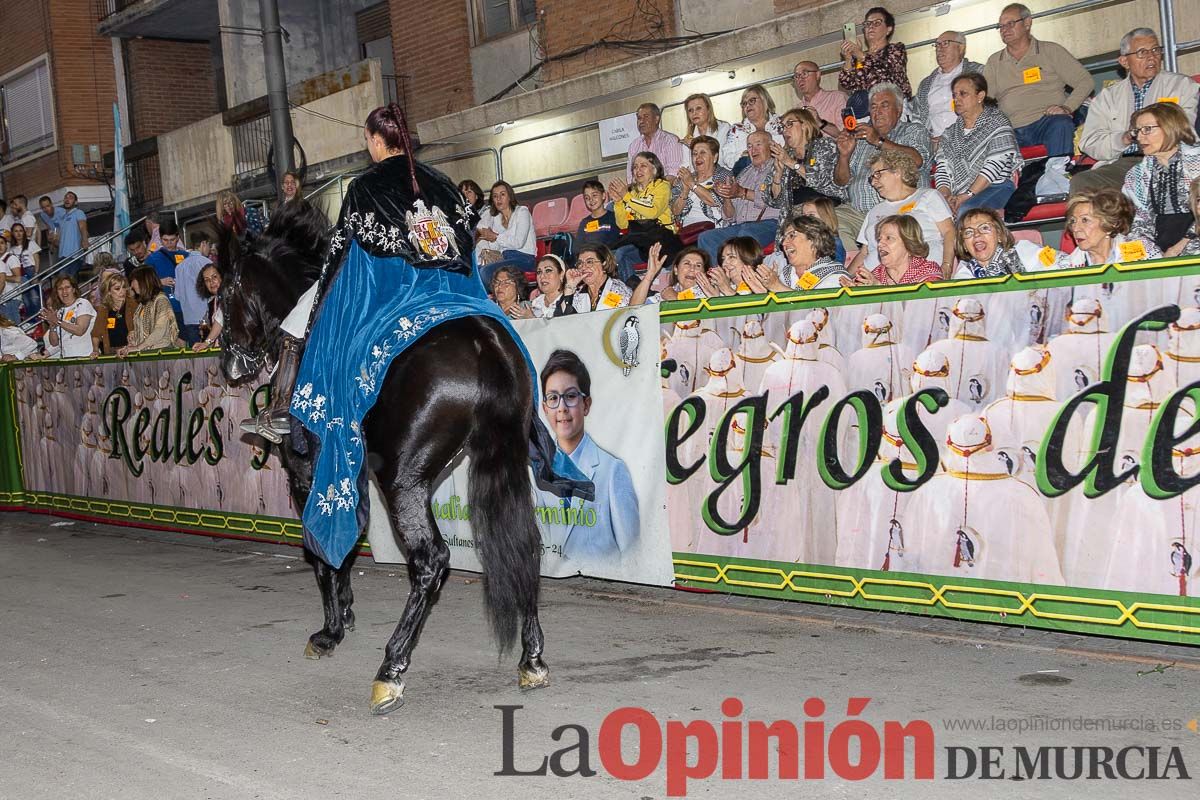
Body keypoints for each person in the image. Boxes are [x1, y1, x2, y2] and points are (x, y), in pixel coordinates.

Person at [536, 349, 639, 562]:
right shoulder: (537, 471)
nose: (562, 408)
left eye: (571, 396)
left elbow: (632, 552)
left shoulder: (612, 471)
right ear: (545, 408)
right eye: (553, 398)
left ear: (586, 405)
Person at [1074, 28, 1200, 195]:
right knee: (1083, 181)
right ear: (1124, 61)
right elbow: (1090, 142)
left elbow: (1188, 129)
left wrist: (1153, 134)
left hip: (1168, 159)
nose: (1151, 57)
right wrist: (1124, 138)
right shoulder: (1108, 97)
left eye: (1156, 50)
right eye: (1142, 52)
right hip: (1124, 163)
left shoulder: (1182, 86)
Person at [982, 3, 1093, 157]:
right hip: (1010, 130)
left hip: (1046, 122)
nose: (1004, 30)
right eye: (1000, 26)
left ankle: (1058, 174)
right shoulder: (994, 61)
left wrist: (1067, 108)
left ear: (1027, 23)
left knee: (1061, 124)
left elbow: (1085, 81)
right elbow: (985, 100)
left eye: (1010, 24)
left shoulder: (1051, 51)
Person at [833, 82, 932, 251]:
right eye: (873, 107)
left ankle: (863, 263)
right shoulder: (860, 139)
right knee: (825, 220)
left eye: (884, 105)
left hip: (899, 210)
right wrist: (844, 155)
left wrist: (879, 141)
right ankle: (853, 266)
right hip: (858, 212)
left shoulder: (913, 130)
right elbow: (841, 181)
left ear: (899, 110)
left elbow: (917, 160)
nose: (877, 112)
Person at [1055, 189, 1162, 328]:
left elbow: (1159, 292)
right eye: (1073, 221)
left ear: (1112, 224)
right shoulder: (1067, 266)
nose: (1076, 228)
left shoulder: (1141, 250)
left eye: (1085, 220)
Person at [847, 149, 955, 278]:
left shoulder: (927, 196)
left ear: (897, 171)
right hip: (877, 281)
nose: (873, 183)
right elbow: (864, 253)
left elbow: (949, 232)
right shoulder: (875, 211)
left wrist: (947, 265)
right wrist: (844, 278)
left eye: (877, 175)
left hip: (922, 276)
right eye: (871, 178)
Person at [933, 73, 1023, 217]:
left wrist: (967, 195)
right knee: (937, 215)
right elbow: (943, 168)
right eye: (955, 95)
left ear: (980, 96)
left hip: (997, 186)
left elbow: (993, 166)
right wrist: (945, 195)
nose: (957, 99)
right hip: (960, 192)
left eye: (963, 94)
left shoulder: (997, 122)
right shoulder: (949, 133)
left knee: (967, 212)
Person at [1122, 101, 1200, 252]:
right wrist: (1150, 255)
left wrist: (1181, 246)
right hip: (1159, 244)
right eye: (1137, 131)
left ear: (1171, 127)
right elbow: (1138, 222)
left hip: (1194, 238)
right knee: (1129, 254)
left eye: (1147, 129)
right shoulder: (1136, 175)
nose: (1139, 137)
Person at [764, 107, 844, 254]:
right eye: (783, 126)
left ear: (805, 125)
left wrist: (791, 163)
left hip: (822, 211)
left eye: (790, 124)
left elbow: (820, 180)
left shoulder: (824, 146)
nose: (784, 130)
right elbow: (773, 200)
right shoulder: (784, 154)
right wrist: (778, 175)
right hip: (792, 217)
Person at [698, 130, 781, 262]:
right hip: (741, 226)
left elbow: (775, 198)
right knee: (706, 237)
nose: (753, 150)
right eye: (749, 146)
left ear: (771, 146)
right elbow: (730, 216)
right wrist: (727, 195)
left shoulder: (779, 168)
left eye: (758, 144)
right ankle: (720, 278)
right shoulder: (743, 174)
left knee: (745, 236)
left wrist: (742, 192)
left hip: (770, 224)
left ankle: (741, 278)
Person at [611, 151, 682, 284]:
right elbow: (623, 225)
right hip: (643, 242)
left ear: (654, 169)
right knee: (619, 253)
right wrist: (618, 202)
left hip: (663, 239)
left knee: (622, 249)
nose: (638, 170)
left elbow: (652, 211)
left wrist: (626, 197)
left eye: (643, 165)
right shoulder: (632, 192)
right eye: (635, 167)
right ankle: (636, 289)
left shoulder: (662, 186)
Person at [911, 31, 983, 145]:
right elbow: (917, 119)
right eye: (937, 45)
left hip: (971, 140)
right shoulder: (925, 84)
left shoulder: (978, 72)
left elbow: (989, 107)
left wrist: (952, 138)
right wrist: (926, 141)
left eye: (945, 43)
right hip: (934, 147)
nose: (939, 49)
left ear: (960, 48)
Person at [838, 7, 913, 99]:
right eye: (867, 24)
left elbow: (885, 73)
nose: (871, 26)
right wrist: (848, 59)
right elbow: (847, 84)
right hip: (868, 110)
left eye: (877, 23)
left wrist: (861, 55)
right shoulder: (860, 58)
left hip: (894, 107)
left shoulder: (896, 49)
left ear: (888, 29)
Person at [474, 179, 537, 289]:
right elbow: (496, 247)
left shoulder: (522, 212)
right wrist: (489, 238)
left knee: (486, 272)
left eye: (502, 194)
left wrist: (495, 237)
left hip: (524, 259)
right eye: (495, 196)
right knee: (476, 271)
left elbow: (518, 242)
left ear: (509, 197)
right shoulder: (496, 218)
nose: (498, 199)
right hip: (504, 258)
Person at [849, 214, 943, 286]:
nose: (880, 244)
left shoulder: (927, 270)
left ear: (908, 243)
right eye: (879, 239)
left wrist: (878, 288)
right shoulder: (876, 274)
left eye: (889, 238)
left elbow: (925, 305)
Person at [763, 214, 850, 291]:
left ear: (813, 239)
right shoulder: (785, 274)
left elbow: (816, 308)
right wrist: (761, 293)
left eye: (792, 235)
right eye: (783, 238)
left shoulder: (835, 276)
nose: (784, 243)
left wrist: (778, 288)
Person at [671, 136, 733, 233]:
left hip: (713, 230)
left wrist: (692, 184)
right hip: (686, 233)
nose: (698, 157)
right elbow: (675, 211)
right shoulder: (686, 177)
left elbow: (715, 201)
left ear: (715, 157)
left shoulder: (724, 175)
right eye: (694, 154)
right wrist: (685, 191)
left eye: (703, 153)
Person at [616, 103, 687, 187]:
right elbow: (631, 179)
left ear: (656, 119)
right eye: (639, 118)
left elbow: (673, 176)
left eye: (646, 117)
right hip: (640, 196)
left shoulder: (670, 141)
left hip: (666, 194)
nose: (641, 121)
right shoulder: (634, 146)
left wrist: (651, 192)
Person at [720, 84, 786, 173]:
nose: (747, 105)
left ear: (764, 100)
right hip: (745, 178)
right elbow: (727, 157)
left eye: (752, 101)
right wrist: (743, 157)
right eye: (744, 103)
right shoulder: (736, 130)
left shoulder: (783, 124)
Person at [118, 267, 180, 356]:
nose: (131, 285)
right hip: (146, 354)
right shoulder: (143, 304)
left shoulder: (161, 300)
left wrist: (138, 347)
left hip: (160, 354)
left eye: (133, 281)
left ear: (143, 281)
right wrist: (133, 341)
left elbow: (160, 330)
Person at [632, 244, 717, 305]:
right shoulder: (668, 292)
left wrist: (675, 300)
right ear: (676, 270)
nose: (692, 269)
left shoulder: (711, 292)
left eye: (698, 265)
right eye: (687, 263)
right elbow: (634, 310)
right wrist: (649, 276)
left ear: (704, 273)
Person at [39, 275, 96, 358]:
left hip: (86, 356)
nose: (64, 291)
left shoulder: (83, 303)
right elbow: (54, 343)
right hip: (67, 359)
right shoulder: (60, 311)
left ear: (73, 289)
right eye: (60, 289)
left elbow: (80, 330)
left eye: (67, 287)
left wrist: (57, 321)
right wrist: (52, 326)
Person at [175, 233, 215, 346]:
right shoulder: (207, 263)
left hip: (188, 318)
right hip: (205, 317)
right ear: (203, 244)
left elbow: (177, 296)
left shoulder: (179, 267)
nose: (210, 249)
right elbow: (213, 291)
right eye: (209, 245)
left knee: (195, 355)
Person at [569, 244, 632, 312]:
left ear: (604, 264)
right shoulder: (577, 293)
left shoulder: (618, 290)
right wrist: (570, 286)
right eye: (580, 263)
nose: (583, 267)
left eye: (589, 262)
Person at [791, 60, 847, 137]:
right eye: (796, 76)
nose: (800, 79)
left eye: (804, 74)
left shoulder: (837, 98)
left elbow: (846, 134)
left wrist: (820, 122)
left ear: (817, 75)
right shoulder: (796, 110)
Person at [92, 272, 136, 355]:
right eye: (117, 288)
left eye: (124, 287)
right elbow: (96, 333)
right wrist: (95, 350)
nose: (122, 291)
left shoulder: (133, 305)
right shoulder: (103, 309)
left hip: (130, 350)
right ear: (109, 291)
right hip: (110, 351)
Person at [573, 179, 620, 251]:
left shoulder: (613, 217)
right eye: (587, 198)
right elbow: (577, 248)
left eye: (594, 195)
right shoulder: (584, 222)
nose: (591, 200)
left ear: (603, 195)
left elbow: (614, 242)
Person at [529, 254, 574, 319]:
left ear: (561, 274)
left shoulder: (573, 300)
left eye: (548, 270)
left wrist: (532, 319)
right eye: (539, 272)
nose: (542, 276)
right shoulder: (536, 303)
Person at [55, 192, 88, 275]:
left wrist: (85, 241)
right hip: (62, 255)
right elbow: (58, 240)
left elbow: (83, 227)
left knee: (63, 280)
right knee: (66, 282)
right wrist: (53, 240)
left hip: (73, 254)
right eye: (65, 197)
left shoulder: (78, 212)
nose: (67, 199)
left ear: (76, 202)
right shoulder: (62, 218)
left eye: (70, 197)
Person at [193, 263, 224, 350]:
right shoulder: (212, 301)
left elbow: (220, 319)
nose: (211, 282)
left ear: (222, 277)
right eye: (207, 280)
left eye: (214, 277)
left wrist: (206, 342)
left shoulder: (230, 297)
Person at [0, 236, 23, 321]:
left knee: (13, 325)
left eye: (2, 243)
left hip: (11, 297)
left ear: (6, 245)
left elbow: (18, 278)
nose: (0, 246)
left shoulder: (10, 258)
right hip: (4, 298)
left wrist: (2, 277)